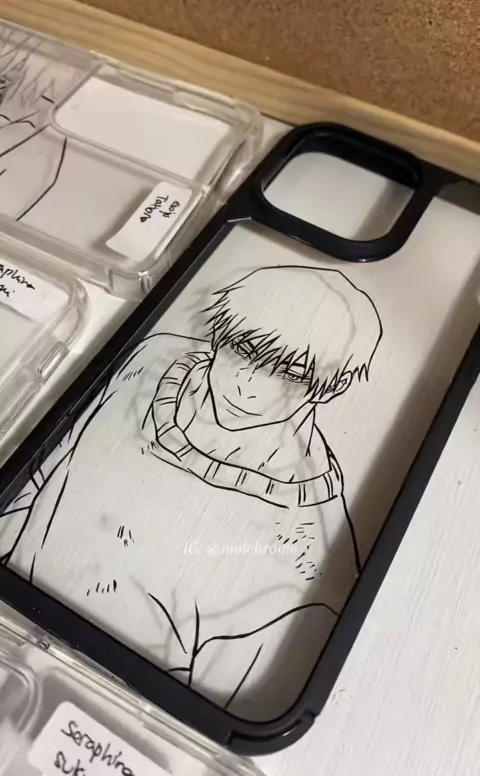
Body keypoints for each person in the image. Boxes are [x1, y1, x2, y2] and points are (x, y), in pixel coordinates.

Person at [0, 265, 382, 718]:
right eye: (242, 350)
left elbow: (213, 691)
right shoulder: (151, 359)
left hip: (84, 699)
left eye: (288, 373)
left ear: (331, 387)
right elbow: (43, 474)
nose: (247, 382)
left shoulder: (310, 548)